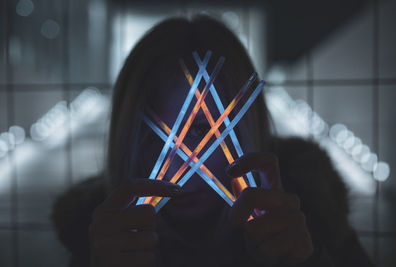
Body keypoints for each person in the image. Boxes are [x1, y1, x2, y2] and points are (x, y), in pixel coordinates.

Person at [51, 16, 373, 267]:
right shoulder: (99, 239)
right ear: (124, 136)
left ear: (248, 126)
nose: (179, 160)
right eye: (154, 133)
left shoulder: (315, 222)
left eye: (202, 128)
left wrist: (305, 263)